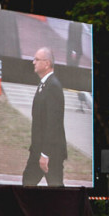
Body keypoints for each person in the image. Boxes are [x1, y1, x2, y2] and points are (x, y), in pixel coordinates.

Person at [22, 48, 67, 186]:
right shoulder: (44, 84)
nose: (33, 62)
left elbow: (53, 124)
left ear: (47, 63)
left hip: (50, 153)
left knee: (55, 189)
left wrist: (45, 154)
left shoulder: (53, 86)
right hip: (38, 150)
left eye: (37, 59)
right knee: (28, 183)